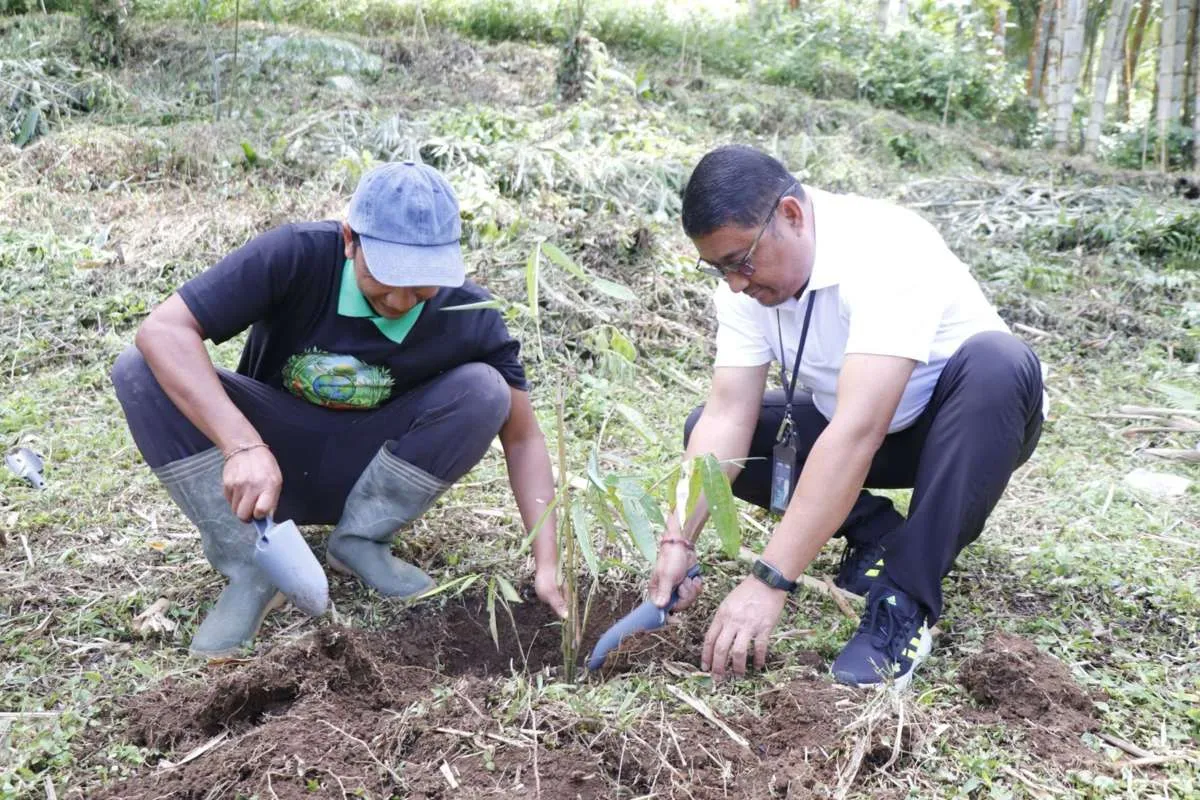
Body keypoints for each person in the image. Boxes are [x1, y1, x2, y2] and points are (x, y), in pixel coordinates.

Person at [112, 161, 565, 657]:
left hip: (369, 475)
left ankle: (360, 541)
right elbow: (163, 330)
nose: (400, 299)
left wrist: (547, 564)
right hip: (267, 473)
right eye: (385, 275)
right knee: (139, 368)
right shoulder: (296, 255)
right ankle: (253, 567)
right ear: (350, 239)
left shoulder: (470, 314)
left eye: (421, 285)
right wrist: (241, 446)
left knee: (486, 389)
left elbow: (524, 438)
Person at [647, 145, 1044, 688]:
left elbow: (859, 431)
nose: (736, 283)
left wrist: (769, 580)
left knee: (1000, 361)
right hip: (856, 427)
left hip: (966, 427)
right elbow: (728, 413)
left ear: (792, 215)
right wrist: (678, 539)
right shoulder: (743, 286)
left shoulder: (887, 246)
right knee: (708, 429)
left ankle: (903, 601)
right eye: (719, 269)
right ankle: (877, 533)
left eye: (741, 262)